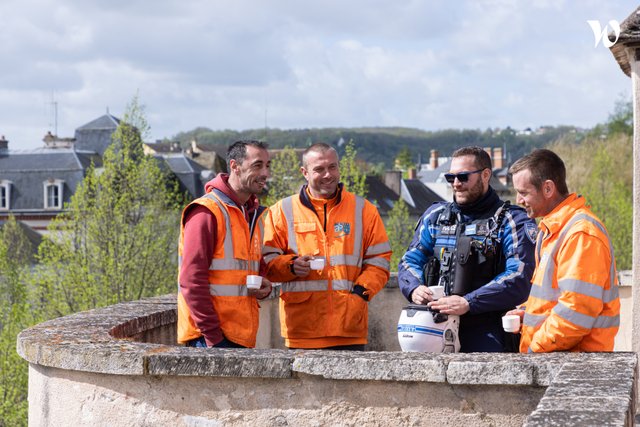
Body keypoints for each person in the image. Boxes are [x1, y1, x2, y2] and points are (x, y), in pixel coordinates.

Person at [398, 146, 536, 352]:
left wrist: (468, 302)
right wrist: (415, 288)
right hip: (434, 327)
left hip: (488, 329)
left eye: (463, 177)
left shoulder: (512, 220)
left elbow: (520, 276)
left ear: (486, 175)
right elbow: (409, 260)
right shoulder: (435, 216)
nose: (456, 184)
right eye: (450, 177)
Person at [262, 142, 391, 350]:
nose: (328, 174)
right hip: (302, 330)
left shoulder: (364, 210)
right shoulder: (281, 211)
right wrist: (292, 266)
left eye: (332, 167)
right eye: (319, 169)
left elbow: (380, 261)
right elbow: (266, 261)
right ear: (304, 172)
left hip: (349, 329)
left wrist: (360, 294)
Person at [508, 149, 620, 352]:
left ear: (548, 188)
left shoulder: (581, 234)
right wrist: (528, 313)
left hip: (575, 366)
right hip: (561, 360)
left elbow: (576, 313)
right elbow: (556, 298)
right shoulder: (555, 230)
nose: (518, 200)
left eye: (523, 193)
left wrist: (534, 350)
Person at [177, 140, 273, 348]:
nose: (265, 173)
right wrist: (213, 337)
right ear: (234, 166)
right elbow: (191, 281)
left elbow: (251, 267)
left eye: (267, 165)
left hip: (238, 335)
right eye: (257, 165)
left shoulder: (252, 214)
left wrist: (263, 285)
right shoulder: (207, 212)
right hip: (211, 338)